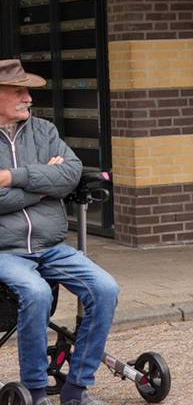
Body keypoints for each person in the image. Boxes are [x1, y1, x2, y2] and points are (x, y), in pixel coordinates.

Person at [0, 60, 119, 405]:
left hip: (52, 247)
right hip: (6, 251)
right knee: (36, 293)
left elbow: (71, 174)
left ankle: (77, 388)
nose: (28, 98)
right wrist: (42, 186)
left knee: (106, 288)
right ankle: (36, 391)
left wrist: (13, 177)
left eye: (28, 91)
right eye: (19, 91)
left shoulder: (44, 132)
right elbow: (54, 182)